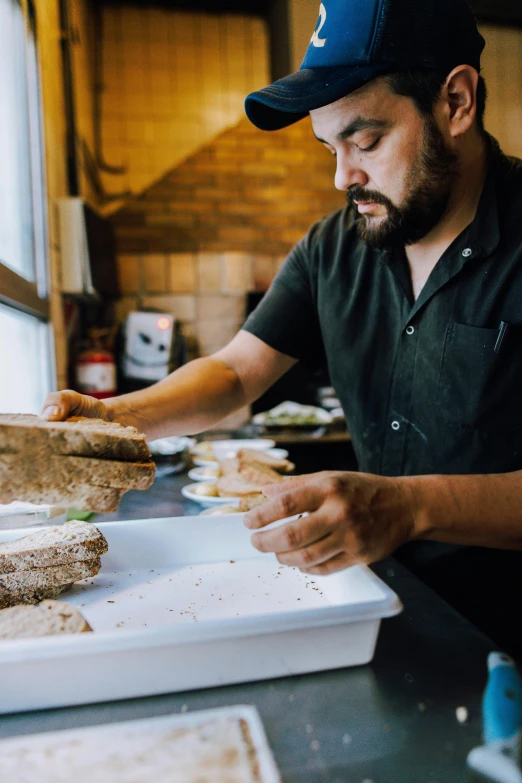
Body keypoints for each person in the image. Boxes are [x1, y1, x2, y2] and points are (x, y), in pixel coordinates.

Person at [42, 0, 522, 655]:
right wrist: (114, 421)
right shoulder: (336, 247)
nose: (341, 177)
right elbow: (237, 372)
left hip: (504, 635)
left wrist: (409, 506)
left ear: (457, 101)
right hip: (376, 611)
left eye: (366, 140)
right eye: (329, 147)